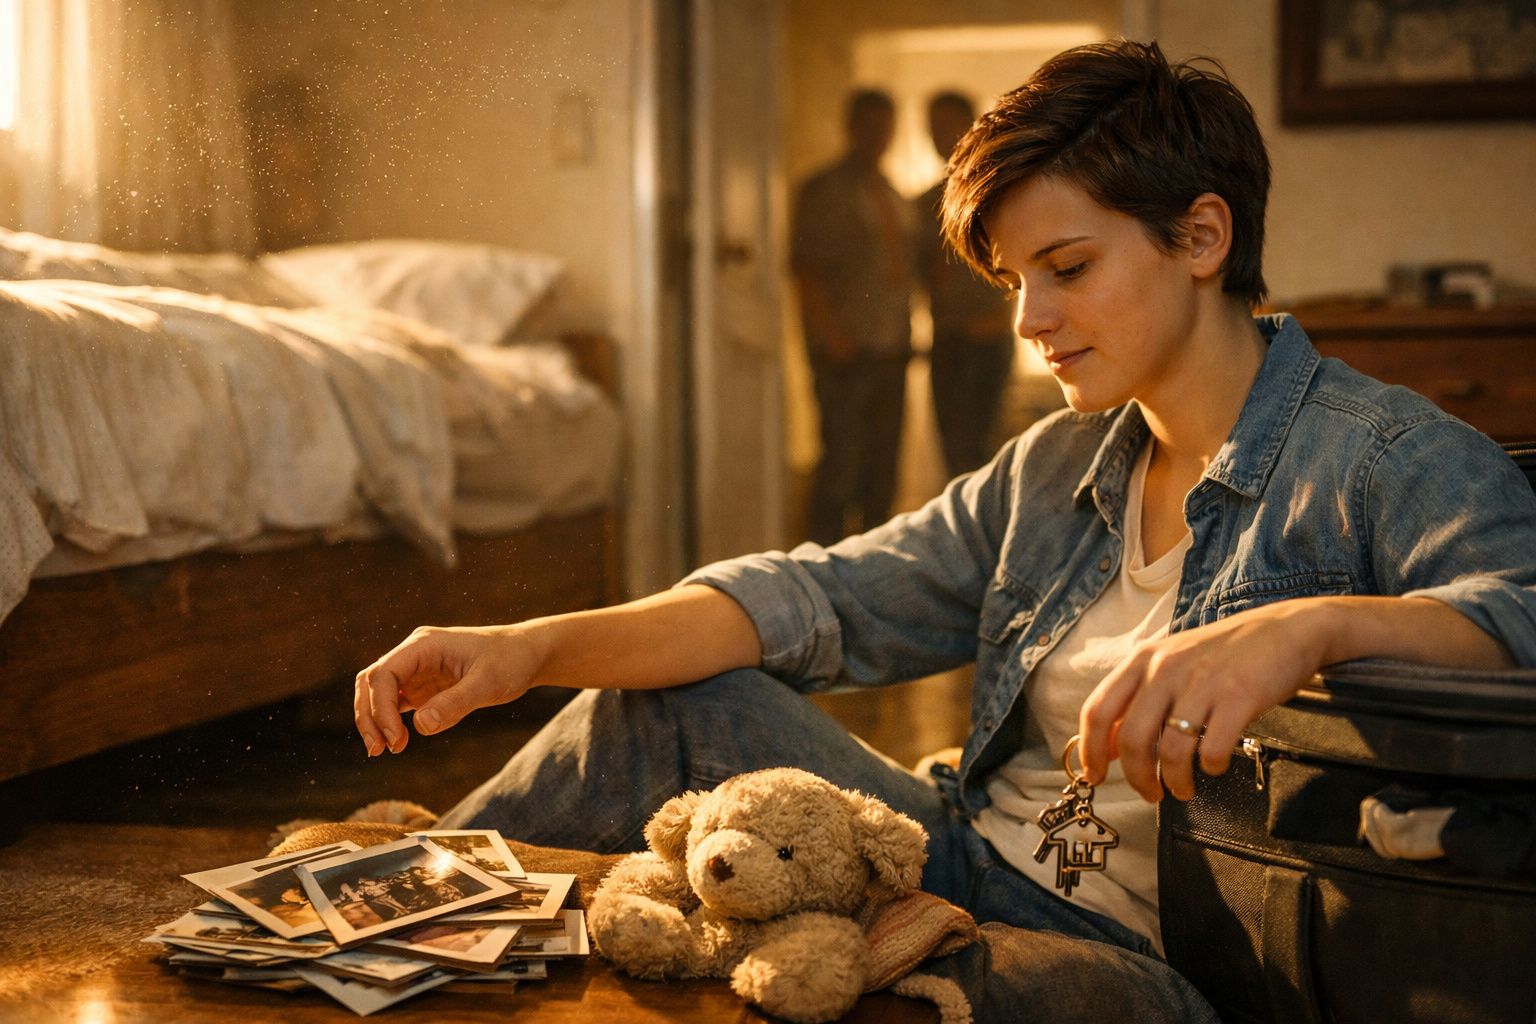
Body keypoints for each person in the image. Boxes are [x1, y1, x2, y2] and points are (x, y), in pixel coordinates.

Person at [353, 40, 1536, 1021]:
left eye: (1065, 268)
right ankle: (349, 928)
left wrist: (1311, 629)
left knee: (895, 987)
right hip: (962, 857)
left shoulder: (1381, 456)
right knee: (673, 709)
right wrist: (525, 646)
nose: (1031, 318)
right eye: (1017, 279)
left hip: (1158, 961)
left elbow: (1521, 613)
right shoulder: (1058, 464)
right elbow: (822, 594)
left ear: (1202, 238)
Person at [791, 88, 913, 544]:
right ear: (851, 128)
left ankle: (871, 576)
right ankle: (816, 574)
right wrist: (829, 334)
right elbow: (805, 271)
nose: (878, 136)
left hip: (892, 350)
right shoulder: (824, 190)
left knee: (882, 473)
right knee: (841, 469)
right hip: (846, 352)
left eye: (886, 127)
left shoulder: (891, 191)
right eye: (870, 126)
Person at [915, 91, 1018, 477]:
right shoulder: (923, 203)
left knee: (990, 451)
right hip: (949, 341)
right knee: (955, 455)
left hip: (989, 338)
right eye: (935, 127)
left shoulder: (999, 192)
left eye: (950, 126)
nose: (942, 135)